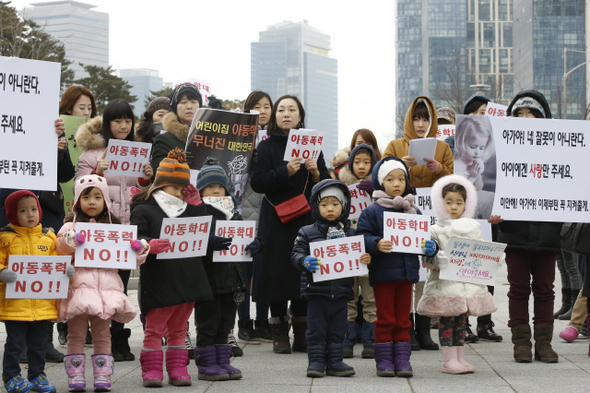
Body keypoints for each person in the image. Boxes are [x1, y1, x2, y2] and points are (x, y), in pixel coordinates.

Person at [130, 148, 219, 387]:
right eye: (174, 188)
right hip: (160, 279)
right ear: (160, 185)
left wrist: (198, 205)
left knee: (180, 328)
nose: (179, 193)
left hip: (189, 276)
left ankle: (178, 368)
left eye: (182, 188)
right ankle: (152, 370)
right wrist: (149, 244)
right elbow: (134, 239)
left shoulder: (188, 208)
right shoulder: (143, 209)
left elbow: (203, 233)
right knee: (154, 329)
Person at [250, 95, 330, 354]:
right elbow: (257, 182)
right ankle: (279, 333)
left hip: (306, 220)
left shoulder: (312, 145)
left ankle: (302, 333)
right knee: (276, 273)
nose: (286, 113)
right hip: (275, 220)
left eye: (292, 109)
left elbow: (327, 184)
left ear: (300, 115)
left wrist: (317, 173)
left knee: (302, 273)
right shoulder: (266, 147)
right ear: (275, 116)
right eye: (281, 109)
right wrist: (285, 172)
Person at [75, 99, 153, 361]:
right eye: (117, 120)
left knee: (119, 282)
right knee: (99, 283)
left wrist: (146, 178)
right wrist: (97, 172)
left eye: (128, 120)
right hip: (101, 230)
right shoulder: (91, 155)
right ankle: (101, 336)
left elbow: (144, 192)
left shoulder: (138, 152)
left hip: (127, 229)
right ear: (107, 123)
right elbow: (80, 191)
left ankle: (120, 337)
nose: (123, 125)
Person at [56, 175, 148, 391]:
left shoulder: (116, 228)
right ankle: (75, 376)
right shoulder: (71, 226)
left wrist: (138, 248)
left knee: (103, 334)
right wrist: (70, 241)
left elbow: (131, 260)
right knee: (76, 334)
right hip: (78, 289)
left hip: (107, 291)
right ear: (78, 200)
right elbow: (59, 248)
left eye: (98, 196)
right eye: (86, 196)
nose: (92, 201)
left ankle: (102, 375)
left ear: (106, 200)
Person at [383, 96, 453, 350]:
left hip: (431, 216)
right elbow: (381, 175)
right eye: (417, 118)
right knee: (405, 274)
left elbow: (453, 183)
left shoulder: (442, 148)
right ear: (409, 120)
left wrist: (439, 170)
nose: (421, 124)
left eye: (426, 118)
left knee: (427, 273)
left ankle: (424, 330)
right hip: (402, 218)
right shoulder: (395, 145)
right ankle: (406, 329)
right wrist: (400, 166)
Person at [497, 89, 561, 363]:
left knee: (545, 289)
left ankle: (544, 344)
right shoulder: (501, 153)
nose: (524, 118)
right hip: (514, 230)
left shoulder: (560, 151)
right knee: (518, 288)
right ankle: (521, 343)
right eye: (519, 114)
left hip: (548, 231)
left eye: (531, 113)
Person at [356, 157, 435, 377]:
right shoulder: (372, 211)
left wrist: (430, 246)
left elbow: (426, 237)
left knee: (403, 319)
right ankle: (383, 360)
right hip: (382, 275)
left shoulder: (414, 211)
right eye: (390, 179)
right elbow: (361, 236)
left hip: (407, 275)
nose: (397, 183)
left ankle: (402, 359)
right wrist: (376, 243)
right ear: (381, 183)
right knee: (385, 318)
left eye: (401, 179)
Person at [417, 175, 500, 374]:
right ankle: (448, 361)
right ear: (440, 202)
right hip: (445, 286)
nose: (454, 207)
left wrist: (495, 257)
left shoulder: (473, 229)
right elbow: (428, 262)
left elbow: (480, 255)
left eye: (459, 202)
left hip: (467, 286)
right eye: (448, 202)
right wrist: (433, 254)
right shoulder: (435, 230)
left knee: (461, 323)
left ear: (466, 204)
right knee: (447, 322)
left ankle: (460, 357)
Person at [291, 179, 371, 377]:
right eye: (324, 204)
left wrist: (365, 258)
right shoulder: (306, 232)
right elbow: (295, 254)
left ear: (344, 207)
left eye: (335, 204)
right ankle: (316, 362)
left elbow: (360, 257)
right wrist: (304, 260)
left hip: (342, 291)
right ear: (316, 206)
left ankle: (335, 361)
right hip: (317, 291)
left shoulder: (351, 233)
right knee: (317, 329)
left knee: (338, 328)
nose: (330, 209)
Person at [194, 157, 260, 380]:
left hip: (234, 279)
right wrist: (207, 242)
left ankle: (222, 361)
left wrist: (256, 244)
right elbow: (189, 241)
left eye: (219, 186)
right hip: (209, 280)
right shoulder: (198, 213)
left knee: (225, 323)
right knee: (207, 324)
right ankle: (205, 365)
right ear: (201, 190)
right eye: (210, 186)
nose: (215, 190)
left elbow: (247, 237)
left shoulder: (234, 212)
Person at [0, 191, 72, 392]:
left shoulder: (48, 237)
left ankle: (37, 376)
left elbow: (56, 261)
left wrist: (65, 269)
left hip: (42, 305)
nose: (30, 214)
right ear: (12, 214)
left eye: (33, 209)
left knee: (39, 345)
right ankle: (11, 376)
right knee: (15, 344)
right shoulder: (5, 237)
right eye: (23, 210)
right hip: (16, 305)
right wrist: (2, 272)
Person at [237, 91, 273, 347]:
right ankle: (243, 323)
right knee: (243, 271)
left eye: (267, 106)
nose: (262, 110)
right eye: (256, 106)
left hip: (268, 210)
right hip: (242, 211)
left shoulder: (276, 140)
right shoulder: (237, 138)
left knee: (265, 270)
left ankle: (263, 321)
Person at [338, 144, 378, 359]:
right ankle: (347, 338)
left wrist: (376, 192)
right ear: (350, 163)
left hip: (369, 250)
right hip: (346, 248)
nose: (361, 166)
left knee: (371, 297)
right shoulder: (340, 186)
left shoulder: (379, 187)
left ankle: (371, 340)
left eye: (366, 162)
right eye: (357, 161)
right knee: (348, 296)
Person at [151, 83, 202, 172]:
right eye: (183, 102)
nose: (189, 106)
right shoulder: (164, 139)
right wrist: (176, 162)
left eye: (194, 102)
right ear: (175, 107)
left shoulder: (211, 138)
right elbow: (156, 173)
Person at [454, 116, 493, 191]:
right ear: (461, 142)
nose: (477, 152)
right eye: (472, 147)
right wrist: (472, 177)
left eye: (481, 148)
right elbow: (460, 191)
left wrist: (477, 176)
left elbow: (479, 188)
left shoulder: (478, 163)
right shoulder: (455, 163)